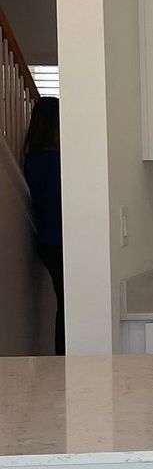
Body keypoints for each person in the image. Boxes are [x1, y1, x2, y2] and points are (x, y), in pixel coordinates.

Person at [23, 95, 63, 354]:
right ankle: (65, 360)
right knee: (69, 308)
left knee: (65, 305)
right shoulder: (55, 162)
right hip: (60, 241)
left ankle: (63, 361)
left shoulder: (33, 158)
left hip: (48, 242)